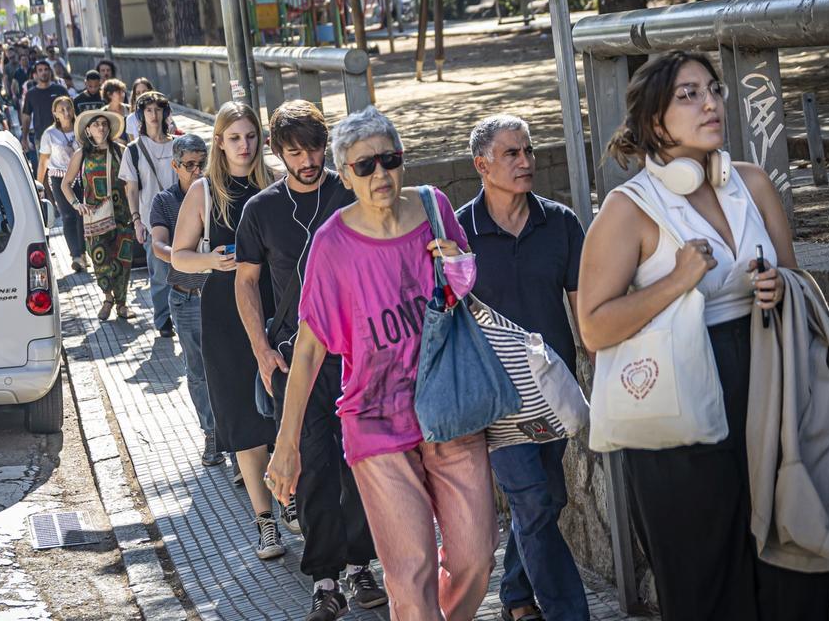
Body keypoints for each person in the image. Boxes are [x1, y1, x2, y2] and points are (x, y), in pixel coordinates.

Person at [576, 51, 829, 621]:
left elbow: (796, 278)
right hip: (680, 405)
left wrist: (778, 286)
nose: (711, 102)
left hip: (766, 382)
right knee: (704, 580)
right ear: (653, 122)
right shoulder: (627, 210)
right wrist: (675, 282)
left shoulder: (752, 183)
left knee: (797, 568)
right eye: (688, 95)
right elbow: (594, 327)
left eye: (712, 89)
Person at [267, 106, 497, 621]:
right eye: (364, 166)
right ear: (345, 176)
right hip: (375, 422)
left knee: (476, 557)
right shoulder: (332, 245)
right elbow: (308, 348)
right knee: (410, 572)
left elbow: (460, 289)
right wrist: (287, 445)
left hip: (450, 408)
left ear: (402, 160)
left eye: (388, 160)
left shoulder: (435, 207)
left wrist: (456, 265)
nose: (380, 175)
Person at [235, 101, 386, 621]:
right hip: (293, 362)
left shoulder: (350, 192)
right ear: (277, 154)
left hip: (357, 356)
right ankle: (324, 578)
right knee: (312, 469)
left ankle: (362, 565)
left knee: (359, 466)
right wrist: (260, 352)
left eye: (315, 148)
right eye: (295, 152)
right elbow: (247, 282)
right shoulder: (261, 210)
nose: (307, 160)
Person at [457, 114, 589, 621]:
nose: (526, 161)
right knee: (532, 500)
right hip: (497, 398)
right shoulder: (459, 231)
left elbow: (582, 306)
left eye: (528, 151)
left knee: (548, 499)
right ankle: (567, 613)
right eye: (511, 153)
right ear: (482, 165)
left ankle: (515, 591)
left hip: (555, 388)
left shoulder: (560, 222)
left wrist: (599, 373)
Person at [171, 102, 284, 563]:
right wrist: (211, 260)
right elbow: (177, 254)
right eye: (234, 137)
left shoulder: (276, 182)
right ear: (219, 141)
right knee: (240, 418)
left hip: (275, 306)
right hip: (222, 310)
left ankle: (290, 496)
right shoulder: (204, 190)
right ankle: (265, 522)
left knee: (282, 410)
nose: (244, 145)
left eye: (251, 136)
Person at [149, 134, 221, 465]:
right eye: (189, 165)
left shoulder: (216, 192)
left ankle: (234, 433)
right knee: (199, 370)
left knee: (228, 364)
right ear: (175, 166)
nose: (196, 171)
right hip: (187, 297)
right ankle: (211, 434)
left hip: (220, 294)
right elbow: (159, 244)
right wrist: (180, 255)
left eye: (201, 163)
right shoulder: (164, 201)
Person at [61, 109, 136, 320]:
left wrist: (136, 212)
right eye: (96, 124)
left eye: (104, 124)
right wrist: (76, 204)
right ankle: (107, 298)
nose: (101, 128)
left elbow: (132, 182)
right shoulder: (81, 154)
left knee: (122, 260)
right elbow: (66, 184)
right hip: (95, 217)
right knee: (100, 260)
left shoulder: (121, 150)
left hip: (122, 214)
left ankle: (122, 304)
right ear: (87, 130)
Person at [118, 91, 177, 338]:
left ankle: (186, 315)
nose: (154, 115)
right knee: (160, 274)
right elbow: (130, 188)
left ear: (165, 113)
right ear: (141, 115)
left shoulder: (178, 145)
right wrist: (136, 221)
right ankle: (163, 320)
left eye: (158, 109)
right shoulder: (133, 150)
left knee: (188, 270)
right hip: (152, 219)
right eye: (149, 110)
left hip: (182, 215)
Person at [37, 96, 85, 272]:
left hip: (81, 177)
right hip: (60, 179)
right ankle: (76, 256)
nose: (66, 113)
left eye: (68, 108)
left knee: (82, 214)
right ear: (55, 113)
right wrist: (38, 185)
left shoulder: (81, 129)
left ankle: (85, 252)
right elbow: (43, 161)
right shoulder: (50, 134)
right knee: (68, 216)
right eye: (61, 110)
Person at [20, 59, 70, 161]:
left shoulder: (60, 90)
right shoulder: (31, 94)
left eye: (46, 69)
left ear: (50, 72)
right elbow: (26, 117)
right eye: (40, 70)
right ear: (36, 74)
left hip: (62, 136)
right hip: (41, 138)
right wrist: (24, 138)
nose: (44, 72)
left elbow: (71, 112)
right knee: (45, 170)